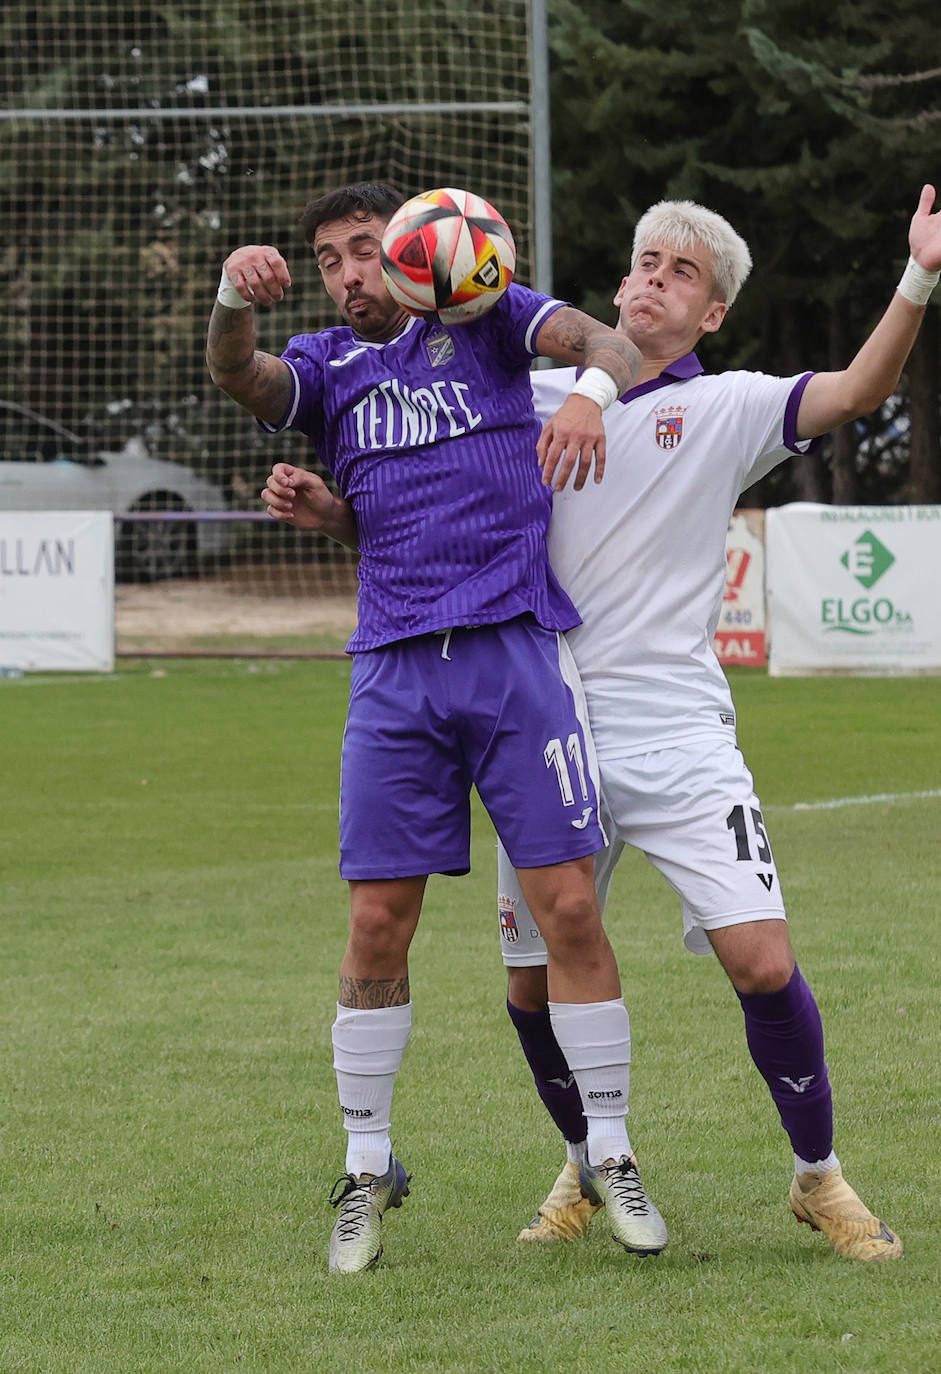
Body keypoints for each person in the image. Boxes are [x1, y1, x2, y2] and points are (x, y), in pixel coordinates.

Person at [495, 165, 941, 1262]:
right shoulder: (535, 395)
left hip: (677, 734)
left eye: (681, 273)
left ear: (711, 311)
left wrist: (918, 273)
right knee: (530, 985)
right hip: (540, 732)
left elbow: (857, 392)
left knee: (764, 962)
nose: (653, 282)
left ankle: (817, 1178)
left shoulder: (721, 410)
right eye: (643, 262)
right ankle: (588, 1163)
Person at [207, 180, 670, 1273]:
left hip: (514, 651)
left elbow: (609, 340)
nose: (349, 273)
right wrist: (233, 294)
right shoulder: (329, 367)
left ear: (416, 248)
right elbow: (237, 371)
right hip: (395, 674)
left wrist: (586, 397)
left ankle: (608, 1153)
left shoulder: (489, 317)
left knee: (566, 908)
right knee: (376, 929)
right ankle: (367, 1169)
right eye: (329, 259)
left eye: (364, 250)